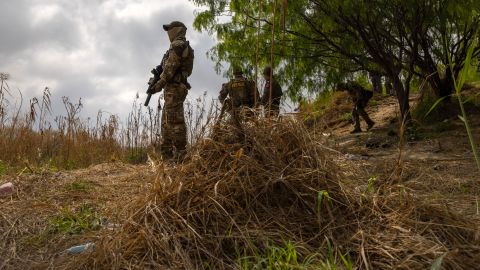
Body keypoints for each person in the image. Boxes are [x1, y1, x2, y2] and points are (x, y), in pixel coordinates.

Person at [148, 21, 194, 159]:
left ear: (178, 30)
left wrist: (157, 85)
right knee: (166, 122)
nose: (168, 32)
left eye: (170, 29)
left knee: (175, 122)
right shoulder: (181, 46)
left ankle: (181, 156)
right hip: (174, 88)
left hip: (174, 88)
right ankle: (167, 156)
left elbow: (169, 71)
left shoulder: (177, 46)